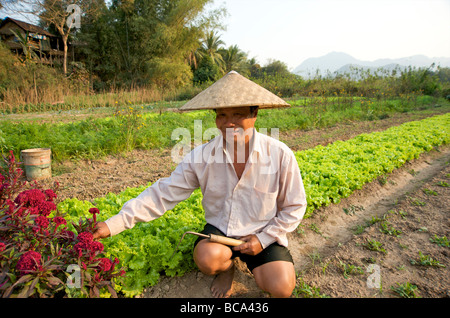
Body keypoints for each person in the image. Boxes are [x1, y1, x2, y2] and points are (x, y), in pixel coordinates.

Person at [93, 71, 307, 298]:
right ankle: (227, 269)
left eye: (238, 114)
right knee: (207, 259)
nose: (229, 122)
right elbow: (163, 193)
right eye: (222, 114)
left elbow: (295, 206)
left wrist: (263, 239)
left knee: (281, 287)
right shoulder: (203, 156)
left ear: (255, 114)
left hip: (262, 232)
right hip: (221, 232)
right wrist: (112, 224)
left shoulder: (279, 154)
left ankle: (256, 259)